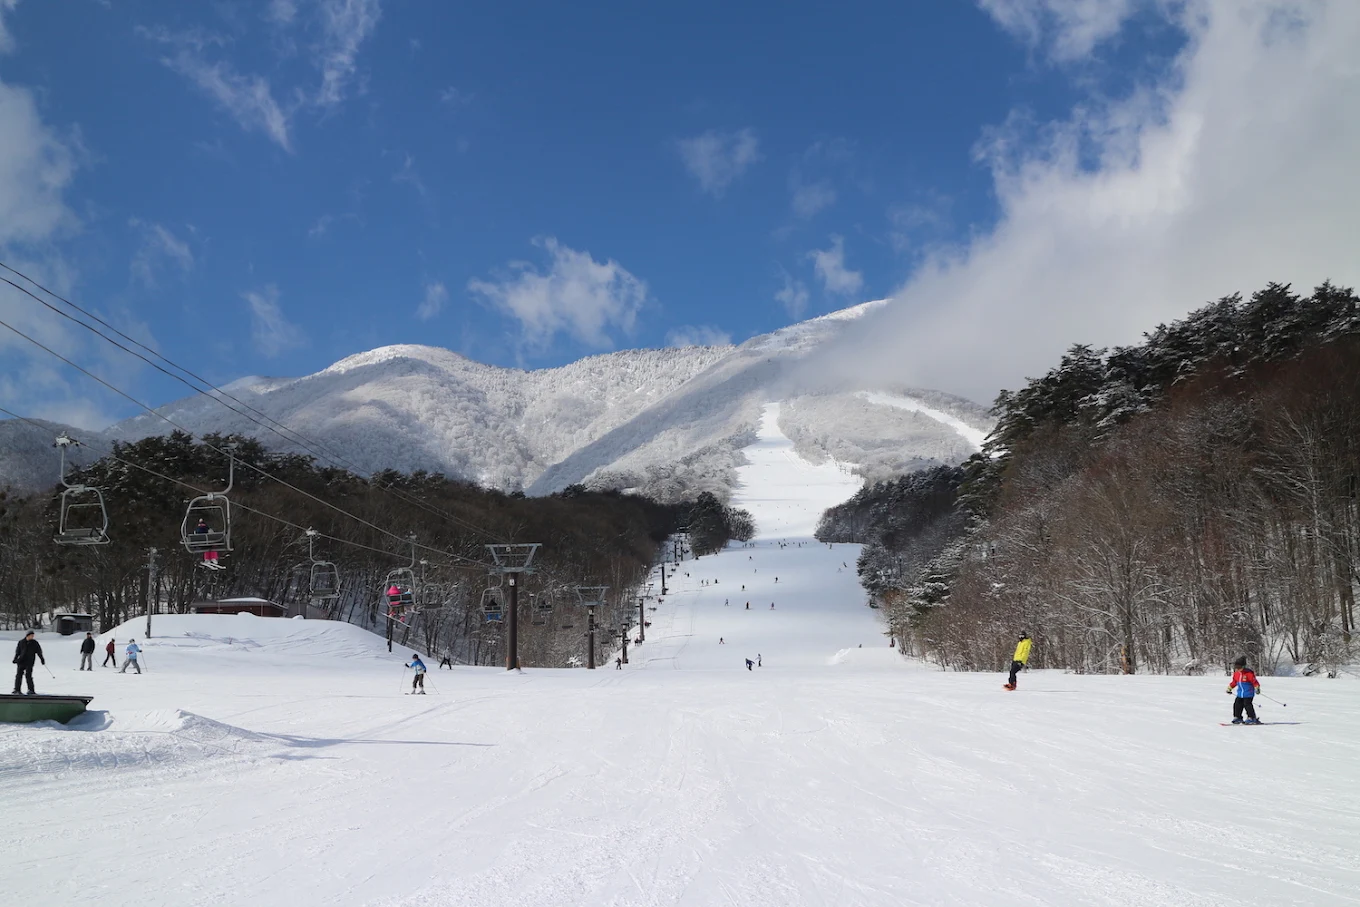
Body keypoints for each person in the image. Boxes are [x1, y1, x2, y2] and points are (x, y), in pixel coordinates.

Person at [1226, 656, 1261, 724]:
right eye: (1237, 667)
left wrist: (1257, 688)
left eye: (1239, 667)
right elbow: (1234, 682)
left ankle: (1252, 717)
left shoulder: (1249, 674)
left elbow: (1255, 682)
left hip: (1248, 694)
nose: (1238, 669)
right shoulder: (1236, 674)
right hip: (1240, 693)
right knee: (1237, 704)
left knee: (1247, 705)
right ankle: (1238, 717)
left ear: (1244, 666)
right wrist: (1230, 688)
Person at [12, 631, 44, 695]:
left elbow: (39, 651)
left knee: (28, 675)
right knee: (19, 675)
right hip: (21, 661)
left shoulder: (35, 643)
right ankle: (17, 689)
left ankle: (31, 690)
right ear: (27, 635)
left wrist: (42, 659)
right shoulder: (21, 642)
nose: (32, 637)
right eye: (31, 636)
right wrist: (15, 659)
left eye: (33, 636)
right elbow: (18, 651)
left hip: (30, 662)